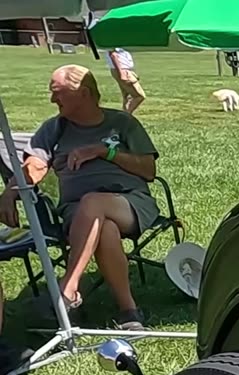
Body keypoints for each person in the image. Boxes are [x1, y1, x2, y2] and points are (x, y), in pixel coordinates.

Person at [0, 65, 159, 331]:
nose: (52, 100)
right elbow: (35, 168)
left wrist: (103, 152)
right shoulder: (54, 129)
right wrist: (10, 191)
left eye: (57, 93)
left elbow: (148, 170)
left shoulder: (121, 123)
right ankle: (129, 311)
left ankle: (68, 289)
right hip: (77, 212)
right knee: (103, 225)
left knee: (94, 202)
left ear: (83, 93)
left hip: (129, 202)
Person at [105, 47, 145, 114]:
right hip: (122, 70)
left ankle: (125, 112)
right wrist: (122, 73)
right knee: (139, 96)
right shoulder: (113, 41)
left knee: (127, 95)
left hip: (123, 70)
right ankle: (127, 115)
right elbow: (113, 55)